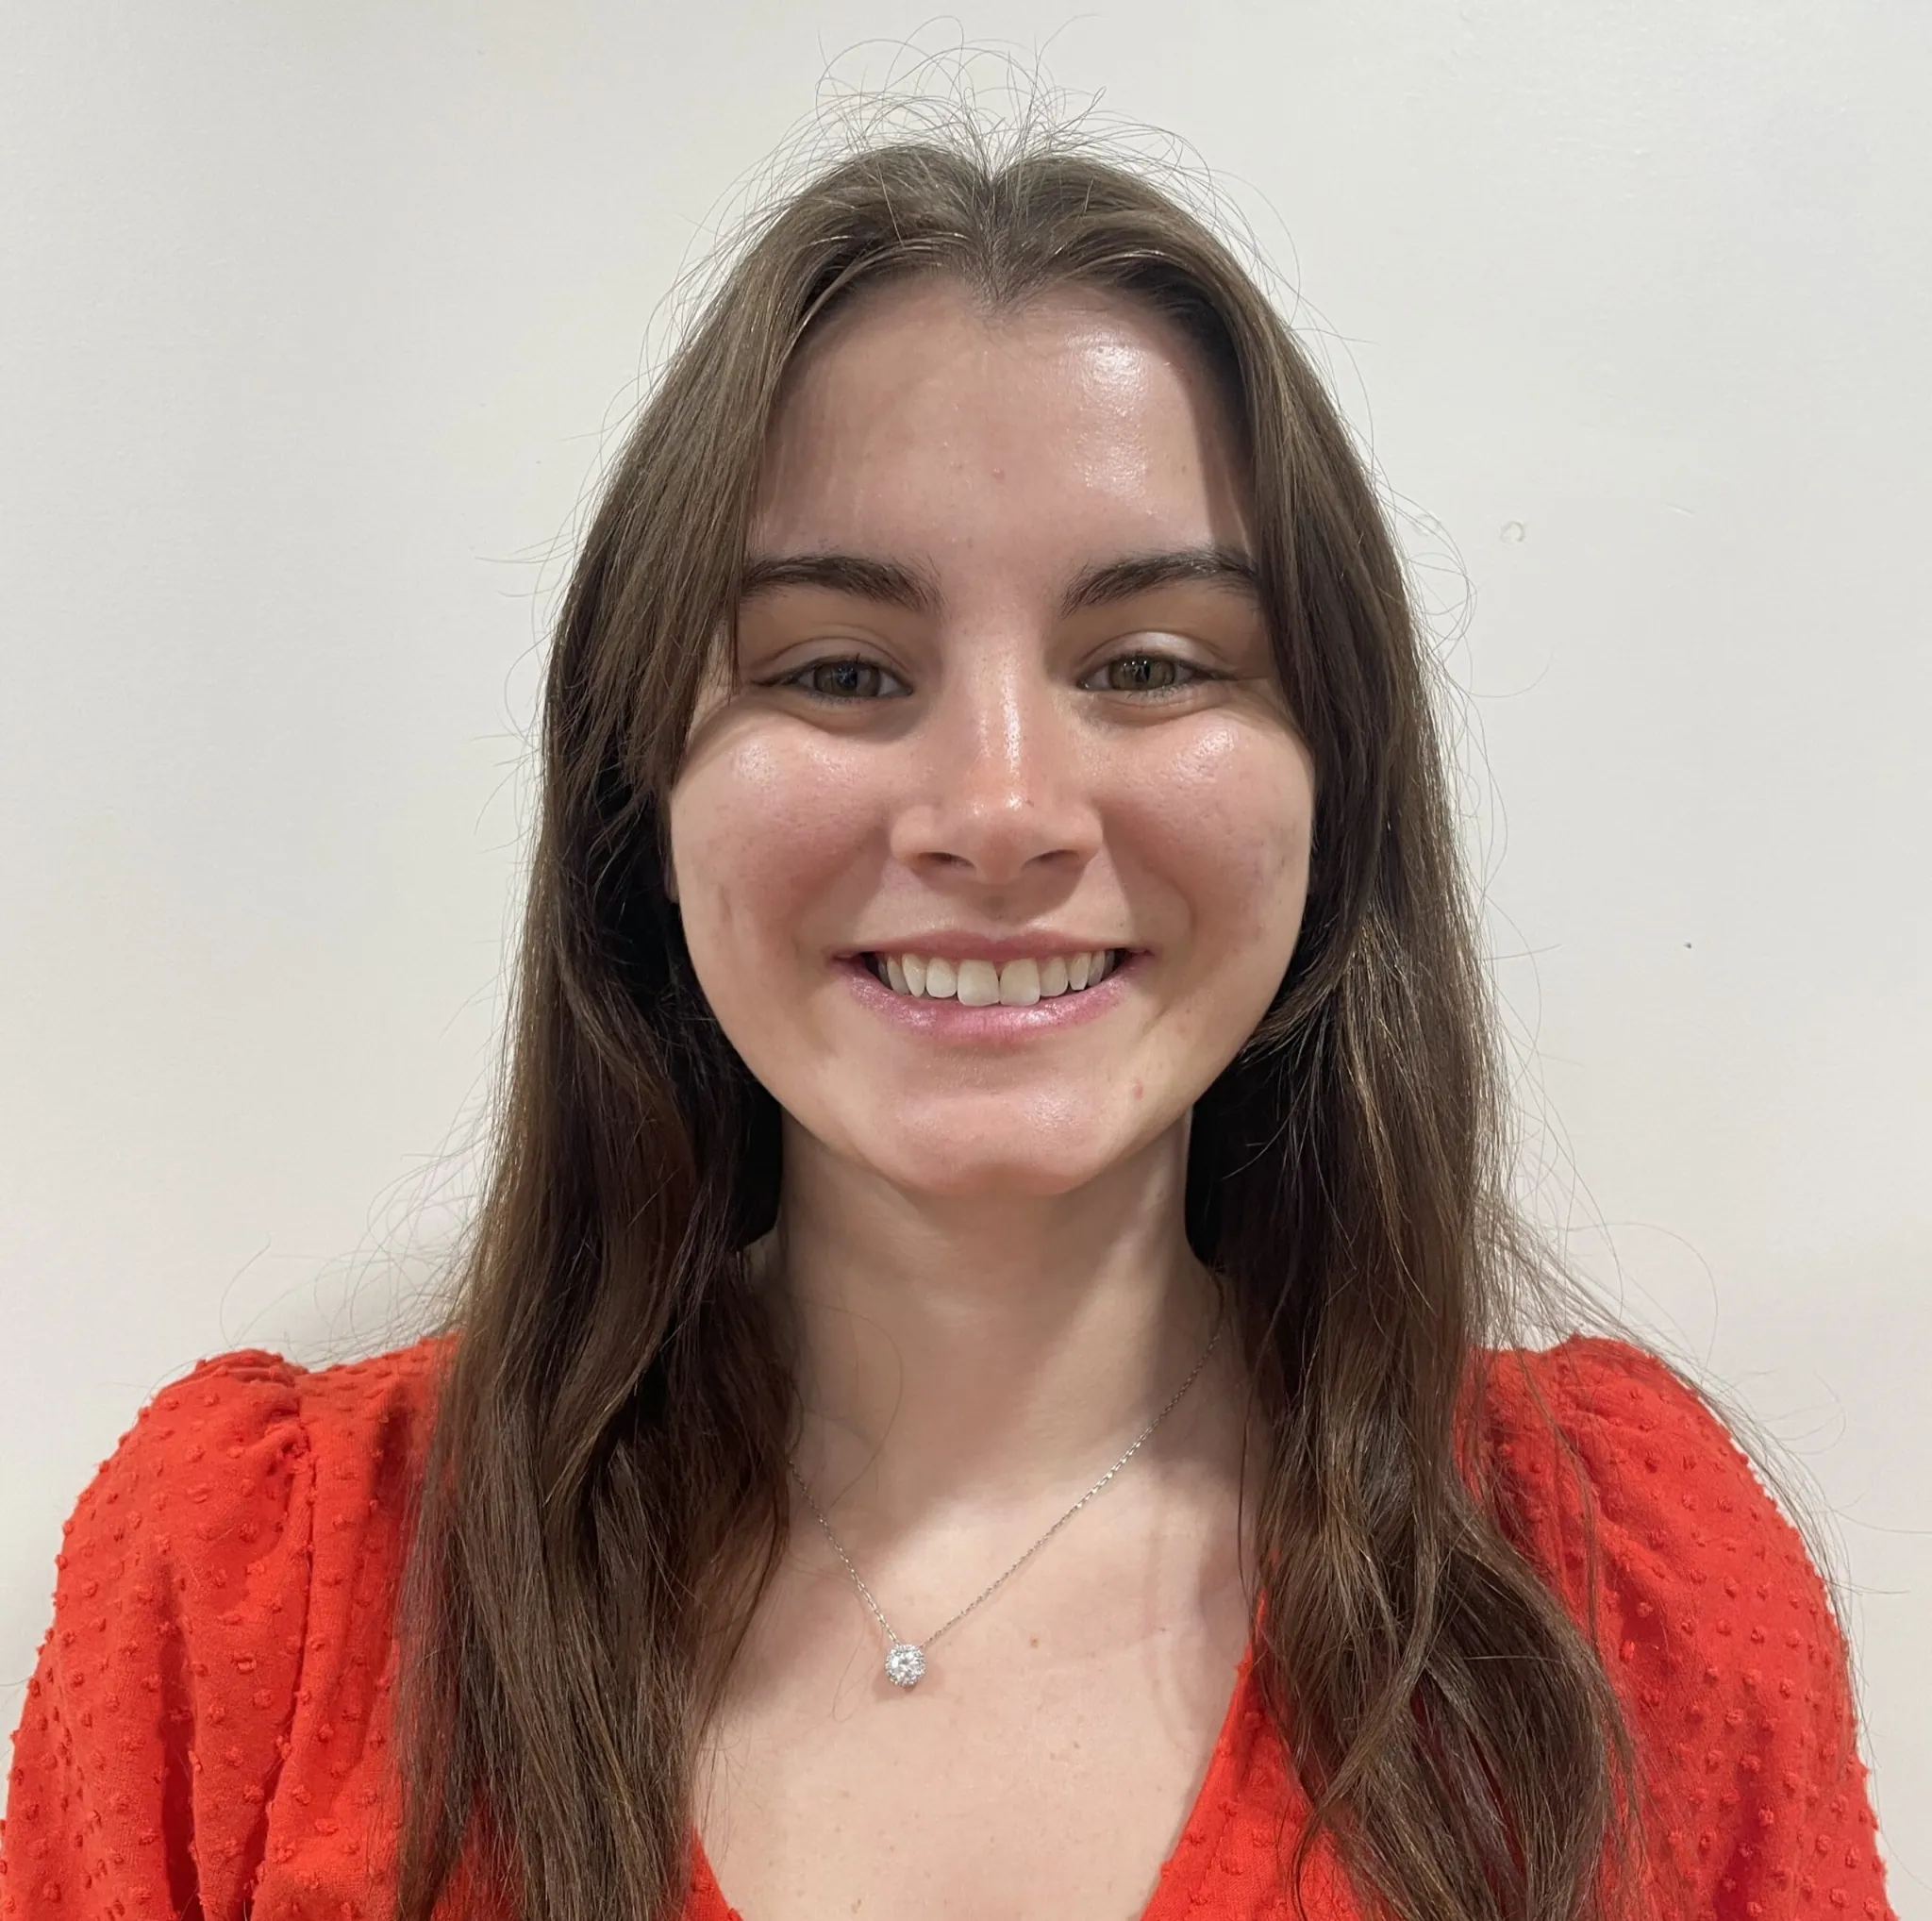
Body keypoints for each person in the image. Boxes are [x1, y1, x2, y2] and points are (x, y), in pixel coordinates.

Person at [0, 126, 1897, 1921]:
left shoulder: (1620, 1600)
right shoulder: (258, 1599)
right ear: (641, 801)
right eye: (840, 670)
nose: (999, 812)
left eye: (1147, 663)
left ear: (1339, 788)